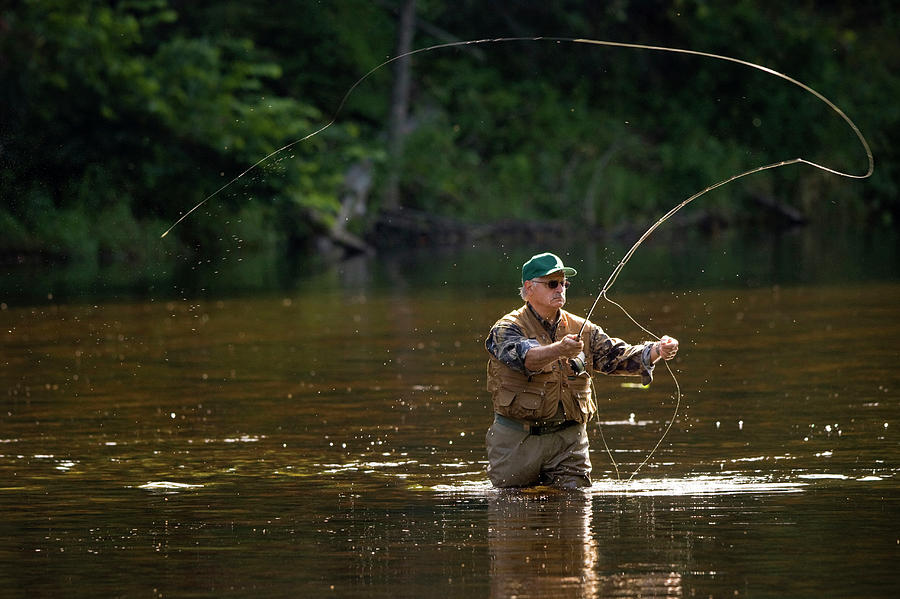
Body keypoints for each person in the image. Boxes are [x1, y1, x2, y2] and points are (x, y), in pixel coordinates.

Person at [484, 252, 679, 489]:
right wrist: (560, 349)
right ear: (529, 287)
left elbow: (617, 357)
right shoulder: (507, 328)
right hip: (518, 441)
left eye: (564, 284)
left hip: (569, 442)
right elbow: (527, 358)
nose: (560, 289)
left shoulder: (582, 329)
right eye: (552, 284)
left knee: (577, 512)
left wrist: (657, 350)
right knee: (513, 511)